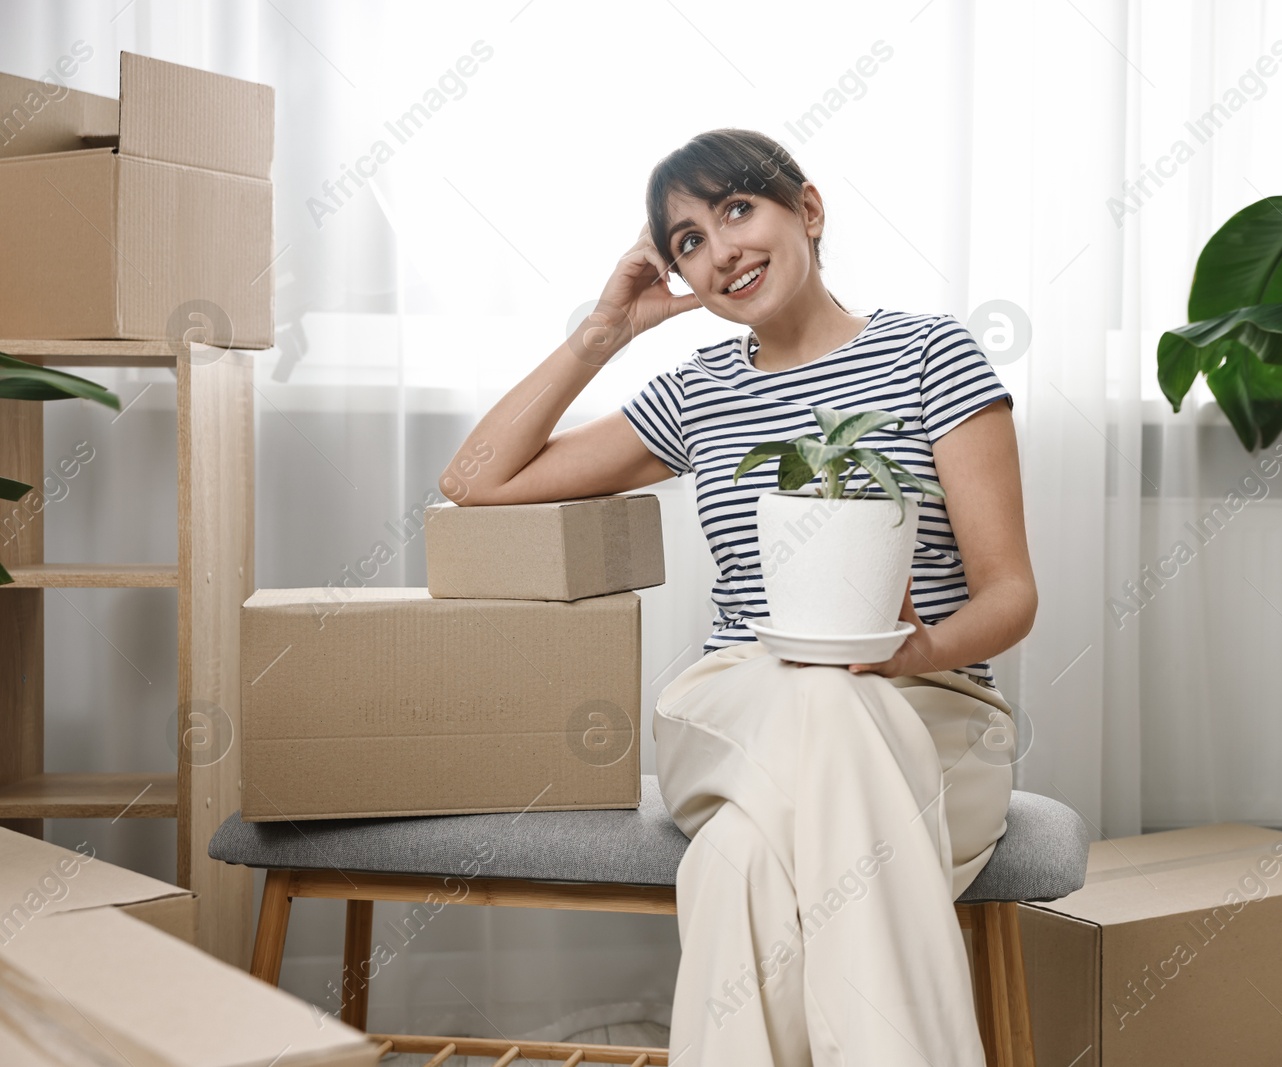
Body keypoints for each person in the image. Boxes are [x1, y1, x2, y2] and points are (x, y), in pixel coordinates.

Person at [440, 127, 1037, 1066]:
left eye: (735, 209)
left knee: (738, 867)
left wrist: (914, 653)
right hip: (738, 704)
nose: (718, 251)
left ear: (806, 208)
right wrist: (604, 331)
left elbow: (1010, 594)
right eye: (685, 242)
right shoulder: (697, 393)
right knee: (816, 693)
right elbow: (473, 478)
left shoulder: (933, 356)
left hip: (932, 718)